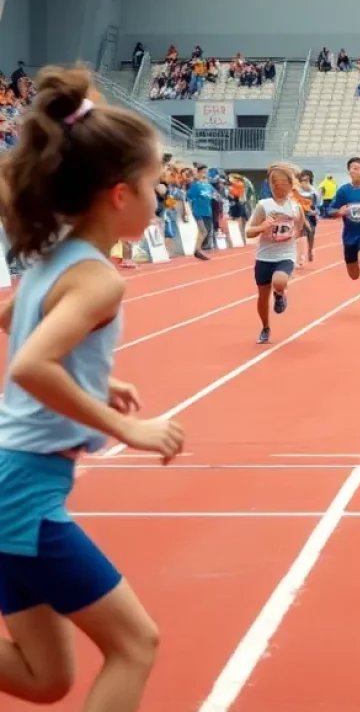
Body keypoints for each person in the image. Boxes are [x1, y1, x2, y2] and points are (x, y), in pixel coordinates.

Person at [0, 65, 185, 710]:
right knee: (137, 644)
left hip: (15, 481)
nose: (161, 198)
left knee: (46, 679)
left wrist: (95, 378)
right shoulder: (99, 278)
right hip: (23, 491)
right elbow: (28, 364)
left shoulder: (54, 256)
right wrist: (125, 428)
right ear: (118, 195)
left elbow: (13, 321)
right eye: (155, 184)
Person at [247, 164, 304, 344]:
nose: (278, 186)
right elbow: (249, 232)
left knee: (279, 281)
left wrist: (294, 235)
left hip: (285, 254)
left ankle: (279, 293)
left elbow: (300, 226)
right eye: (274, 183)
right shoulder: (264, 206)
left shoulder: (295, 207)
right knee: (263, 297)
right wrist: (263, 227)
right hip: (264, 256)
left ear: (289, 184)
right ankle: (265, 327)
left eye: (281, 182)